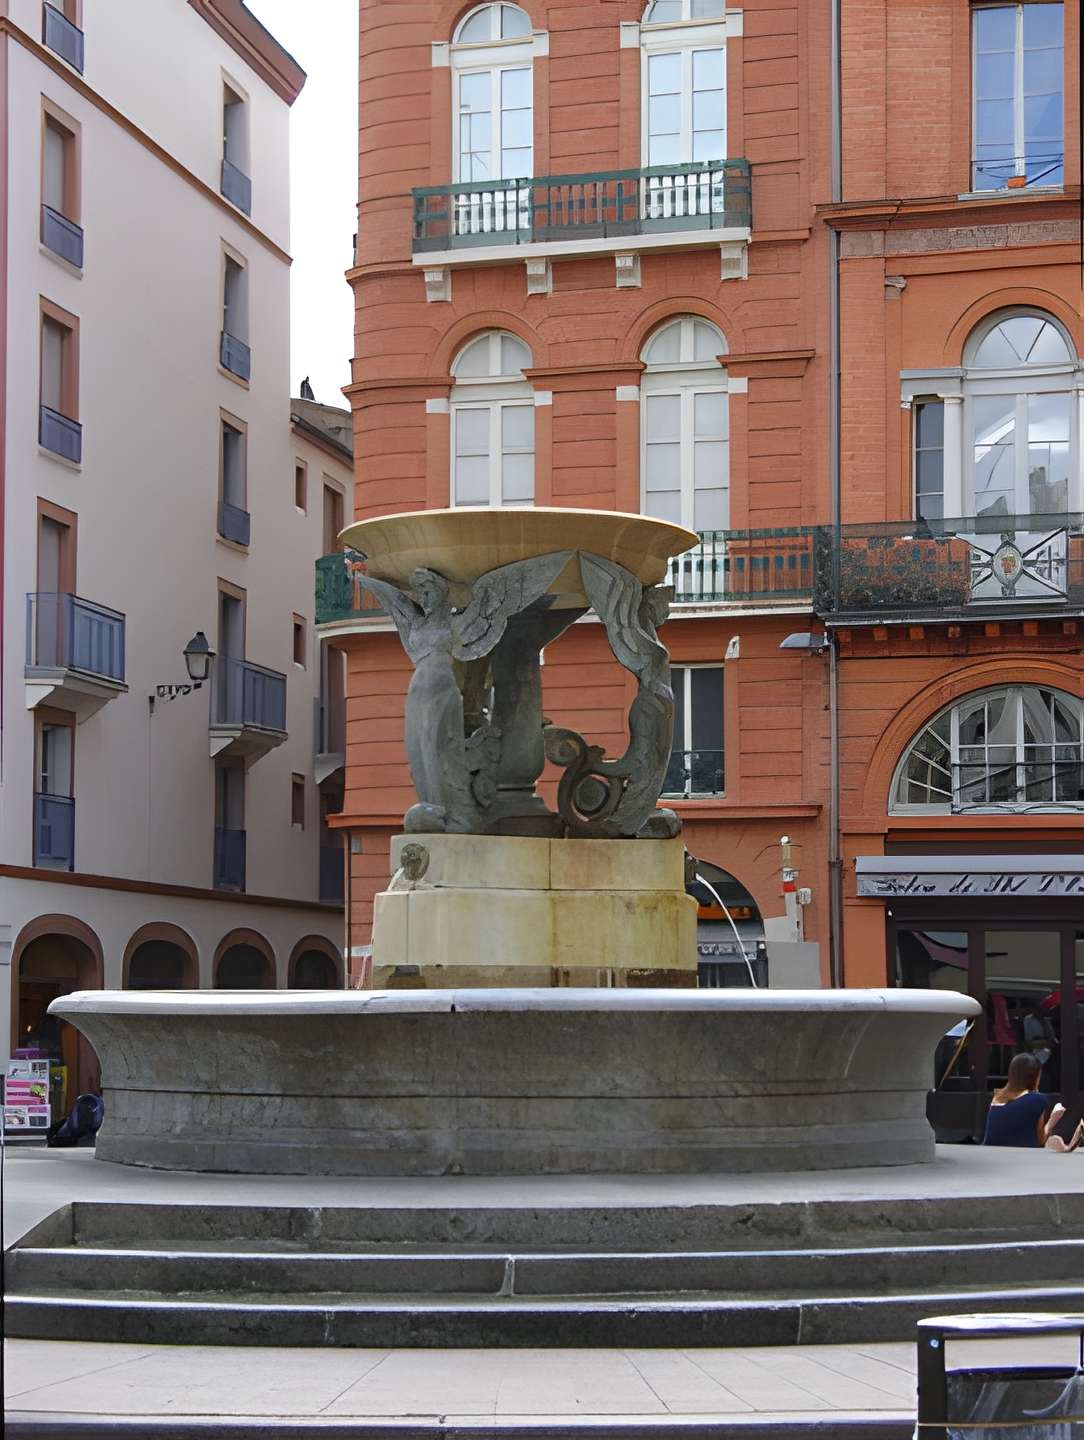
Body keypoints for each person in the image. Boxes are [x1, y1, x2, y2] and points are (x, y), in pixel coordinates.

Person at [983, 1053, 1083, 1151]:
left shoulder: (997, 1098)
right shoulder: (1037, 1100)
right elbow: (1041, 1142)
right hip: (1021, 1159)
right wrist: (1053, 1119)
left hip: (991, 1155)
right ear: (1035, 1077)